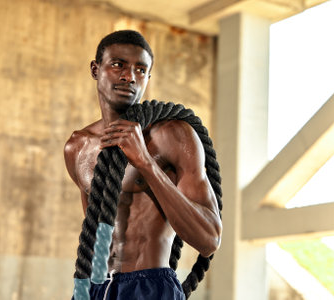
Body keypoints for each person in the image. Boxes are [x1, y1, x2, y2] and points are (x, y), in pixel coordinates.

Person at [64, 30, 222, 300]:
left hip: (151, 287)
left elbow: (209, 240)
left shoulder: (172, 136)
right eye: (118, 65)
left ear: (148, 77)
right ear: (95, 69)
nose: (129, 76)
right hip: (97, 287)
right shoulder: (77, 147)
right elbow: (96, 232)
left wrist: (146, 163)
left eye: (140, 69)